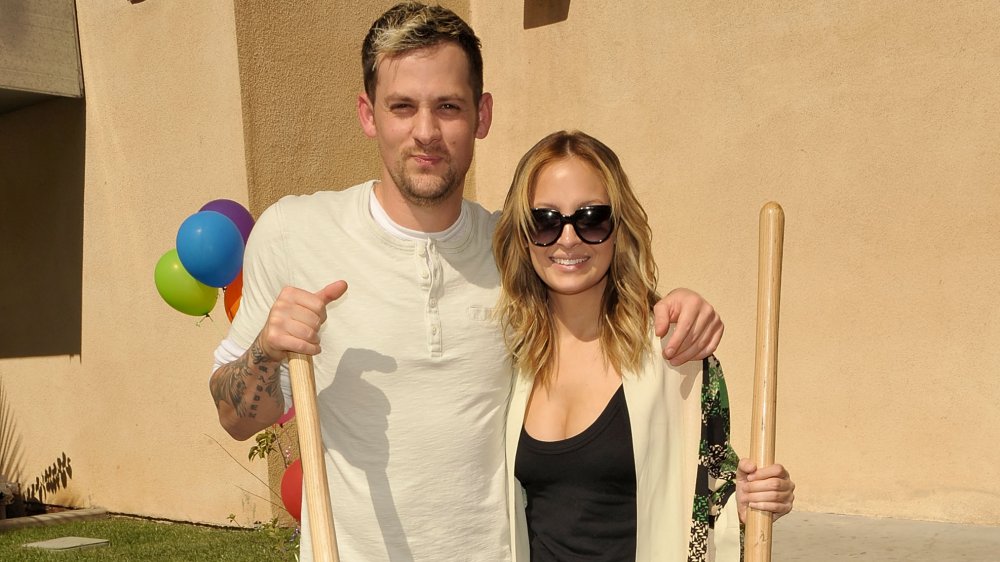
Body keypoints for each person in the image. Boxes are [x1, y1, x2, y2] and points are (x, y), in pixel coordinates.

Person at [209, 3, 723, 560]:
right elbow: (236, 419)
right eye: (401, 106)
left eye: (448, 107)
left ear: (482, 115)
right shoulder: (294, 233)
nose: (425, 132)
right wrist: (266, 351)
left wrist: (676, 304)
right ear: (367, 114)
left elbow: (602, 292)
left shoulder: (518, 247)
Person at [493, 130, 795, 561]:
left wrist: (749, 504)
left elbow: (709, 495)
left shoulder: (674, 355)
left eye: (591, 217)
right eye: (545, 220)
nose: (568, 239)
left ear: (619, 228)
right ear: (523, 235)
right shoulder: (510, 358)